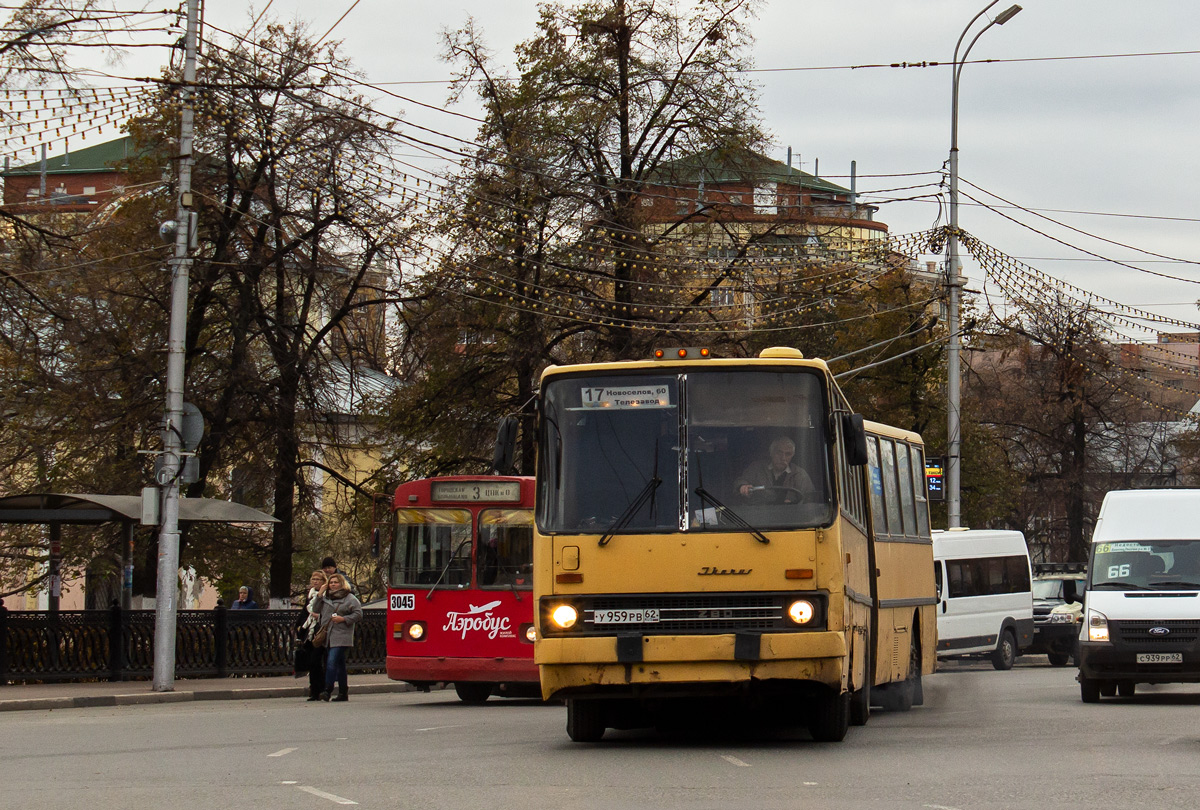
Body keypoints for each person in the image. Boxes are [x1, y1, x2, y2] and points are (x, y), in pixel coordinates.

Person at [317, 572, 363, 702]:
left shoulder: (349, 598)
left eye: (335, 582)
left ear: (341, 584)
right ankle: (343, 692)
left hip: (342, 635)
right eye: (331, 583)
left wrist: (343, 618)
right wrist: (319, 594)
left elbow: (358, 614)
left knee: (331, 662)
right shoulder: (326, 597)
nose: (333, 585)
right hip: (328, 635)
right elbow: (315, 609)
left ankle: (327, 690)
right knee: (340, 664)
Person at [734, 436, 814, 504]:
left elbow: (810, 499)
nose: (783, 458)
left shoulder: (800, 474)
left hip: (792, 519)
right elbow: (740, 482)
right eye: (779, 453)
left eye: (788, 454)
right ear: (771, 452)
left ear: (792, 456)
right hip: (758, 516)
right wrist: (742, 486)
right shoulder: (757, 468)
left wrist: (794, 504)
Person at [297, 570, 328, 701]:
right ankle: (313, 690)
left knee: (316, 660)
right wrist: (299, 627)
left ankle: (321, 688)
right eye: (313, 579)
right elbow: (305, 611)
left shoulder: (326, 595)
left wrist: (319, 616)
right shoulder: (310, 595)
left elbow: (328, 611)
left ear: (323, 582)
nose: (315, 581)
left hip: (319, 631)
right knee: (311, 662)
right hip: (309, 630)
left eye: (318, 579)